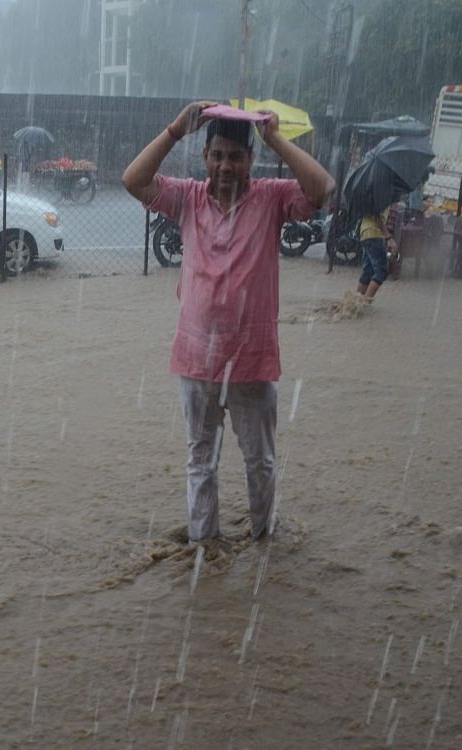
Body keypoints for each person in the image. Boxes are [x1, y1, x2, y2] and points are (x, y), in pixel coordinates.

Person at [122, 101, 335, 543]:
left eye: (235, 156)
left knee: (259, 461)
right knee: (201, 461)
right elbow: (134, 180)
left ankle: (263, 539)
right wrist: (175, 130)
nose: (225, 165)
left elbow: (322, 189)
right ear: (205, 159)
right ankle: (204, 547)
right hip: (197, 360)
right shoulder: (187, 199)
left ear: (250, 161)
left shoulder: (272, 198)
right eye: (217, 155)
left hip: (252, 362)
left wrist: (275, 137)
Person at [356, 206, 395, 301]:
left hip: (365, 233)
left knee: (368, 272)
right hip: (375, 234)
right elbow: (377, 217)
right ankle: (363, 305)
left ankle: (353, 303)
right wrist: (388, 238)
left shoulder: (373, 193)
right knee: (381, 271)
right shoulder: (383, 193)